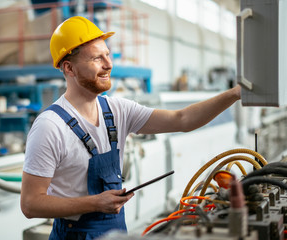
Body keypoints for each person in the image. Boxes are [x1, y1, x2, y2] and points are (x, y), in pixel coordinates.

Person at [20, 16, 241, 239]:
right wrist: (96, 203)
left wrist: (235, 94)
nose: (109, 64)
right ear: (69, 68)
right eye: (97, 58)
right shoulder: (50, 126)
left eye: (107, 54)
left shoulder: (117, 111)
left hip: (115, 230)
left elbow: (182, 119)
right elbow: (30, 204)